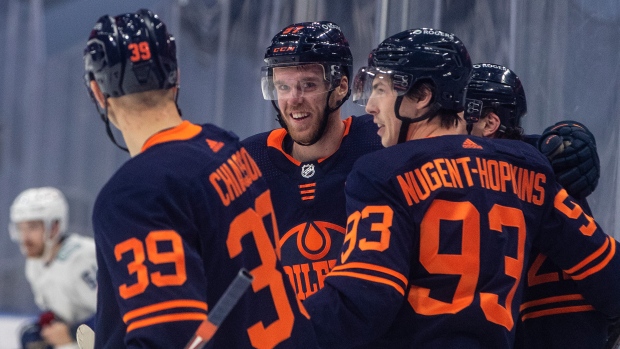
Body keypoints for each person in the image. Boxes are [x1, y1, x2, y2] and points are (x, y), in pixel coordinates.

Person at [303, 28, 620, 348]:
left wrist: (283, 338)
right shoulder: (529, 168)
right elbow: (605, 267)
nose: (369, 105)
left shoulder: (382, 171)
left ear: (424, 96)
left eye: (381, 89)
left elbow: (364, 299)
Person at [83, 9, 316, 348]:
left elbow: (167, 339)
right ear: (176, 77)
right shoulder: (225, 147)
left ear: (98, 92)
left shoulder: (134, 195)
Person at [466, 63, 609, 349]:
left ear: (489, 123)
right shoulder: (540, 164)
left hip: (556, 322)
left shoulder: (538, 171)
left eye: (456, 113)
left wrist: (575, 140)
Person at [242, 21, 382, 301]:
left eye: (308, 85)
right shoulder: (248, 162)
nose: (293, 100)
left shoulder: (378, 144)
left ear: (341, 87)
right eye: (283, 86)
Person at [9, 186, 97, 349]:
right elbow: (59, 312)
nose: (24, 237)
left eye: (32, 227)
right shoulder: (34, 264)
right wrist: (43, 326)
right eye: (21, 228)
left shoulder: (83, 258)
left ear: (55, 226)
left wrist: (71, 332)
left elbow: (117, 313)